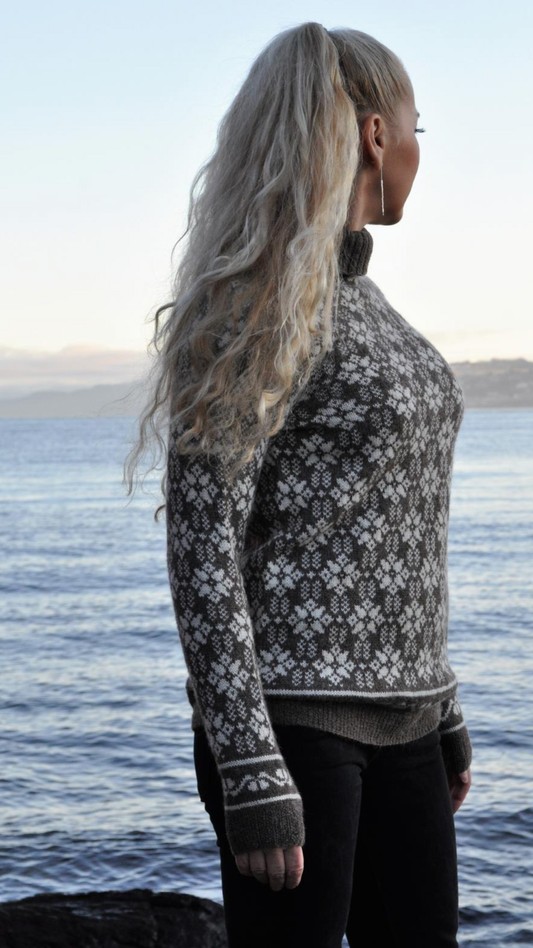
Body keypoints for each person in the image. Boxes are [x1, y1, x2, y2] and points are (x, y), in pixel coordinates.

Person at [124, 20, 473, 948]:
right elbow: (203, 544)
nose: (417, 149)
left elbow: (399, 528)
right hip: (293, 731)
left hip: (406, 727)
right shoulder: (250, 303)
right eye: (416, 128)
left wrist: (441, 704)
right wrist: (247, 762)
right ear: (374, 135)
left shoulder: (367, 302)